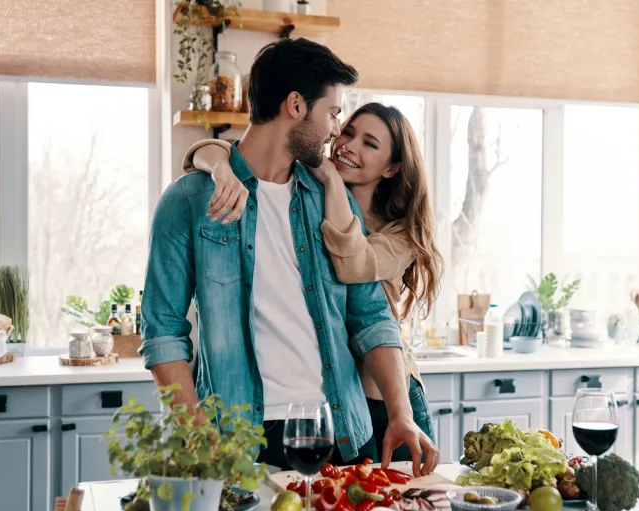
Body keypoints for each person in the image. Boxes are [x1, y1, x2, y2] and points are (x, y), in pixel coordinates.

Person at [139, 37, 439, 476]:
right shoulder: (188, 200)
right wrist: (195, 429)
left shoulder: (328, 199)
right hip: (238, 439)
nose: (337, 129)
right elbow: (162, 329)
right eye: (333, 113)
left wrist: (400, 413)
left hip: (341, 433)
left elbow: (371, 315)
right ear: (296, 105)